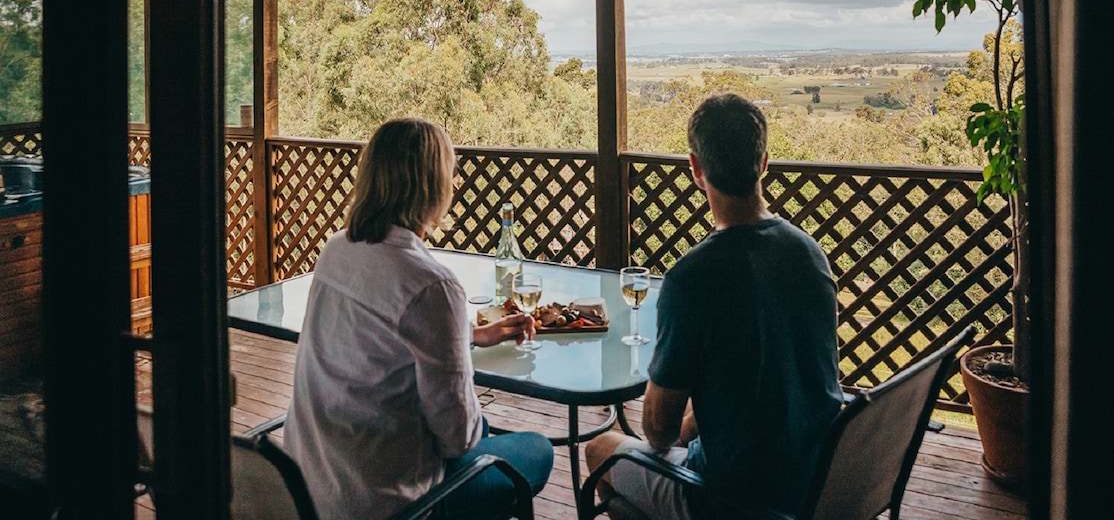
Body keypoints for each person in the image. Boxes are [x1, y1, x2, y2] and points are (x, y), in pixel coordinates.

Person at [585, 93, 843, 519]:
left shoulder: (693, 277)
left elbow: (658, 432)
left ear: (696, 169)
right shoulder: (808, 253)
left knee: (602, 449)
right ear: (763, 163)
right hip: (815, 482)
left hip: (732, 501)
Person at [284, 118, 554, 520]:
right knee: (536, 449)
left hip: (308, 490)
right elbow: (458, 438)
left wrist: (471, 336)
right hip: (391, 506)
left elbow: (379, 340)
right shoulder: (432, 286)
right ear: (435, 187)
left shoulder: (337, 249)